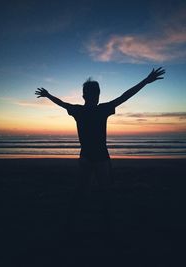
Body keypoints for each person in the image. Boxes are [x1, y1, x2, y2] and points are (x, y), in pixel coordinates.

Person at [35, 67, 165, 231]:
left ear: (85, 95)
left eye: (94, 94)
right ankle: (100, 223)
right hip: (98, 158)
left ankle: (76, 222)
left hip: (89, 157)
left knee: (84, 190)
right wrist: (145, 81)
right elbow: (124, 96)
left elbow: (62, 103)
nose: (94, 97)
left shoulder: (79, 110)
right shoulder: (100, 109)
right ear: (93, 96)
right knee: (101, 191)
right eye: (94, 95)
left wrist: (48, 95)